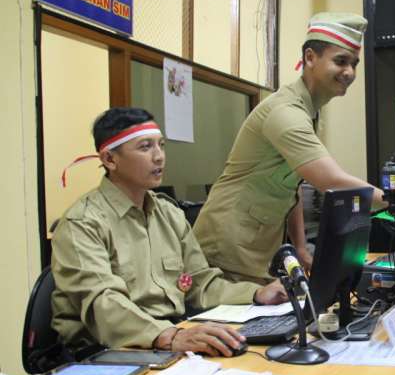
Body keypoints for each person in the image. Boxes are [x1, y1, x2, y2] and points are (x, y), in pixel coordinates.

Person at [193, 12, 395, 285]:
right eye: (341, 61)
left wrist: (299, 247)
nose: (350, 72)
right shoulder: (286, 113)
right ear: (310, 58)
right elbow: (331, 182)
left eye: (354, 64)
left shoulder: (308, 111)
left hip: (256, 244)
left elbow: (294, 186)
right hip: (227, 246)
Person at [51, 108, 288, 357]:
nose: (159, 157)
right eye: (145, 147)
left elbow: (201, 283)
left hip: (171, 337)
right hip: (108, 350)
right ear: (110, 159)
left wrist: (257, 293)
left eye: (161, 146)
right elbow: (102, 304)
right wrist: (169, 336)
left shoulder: (168, 214)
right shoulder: (82, 223)